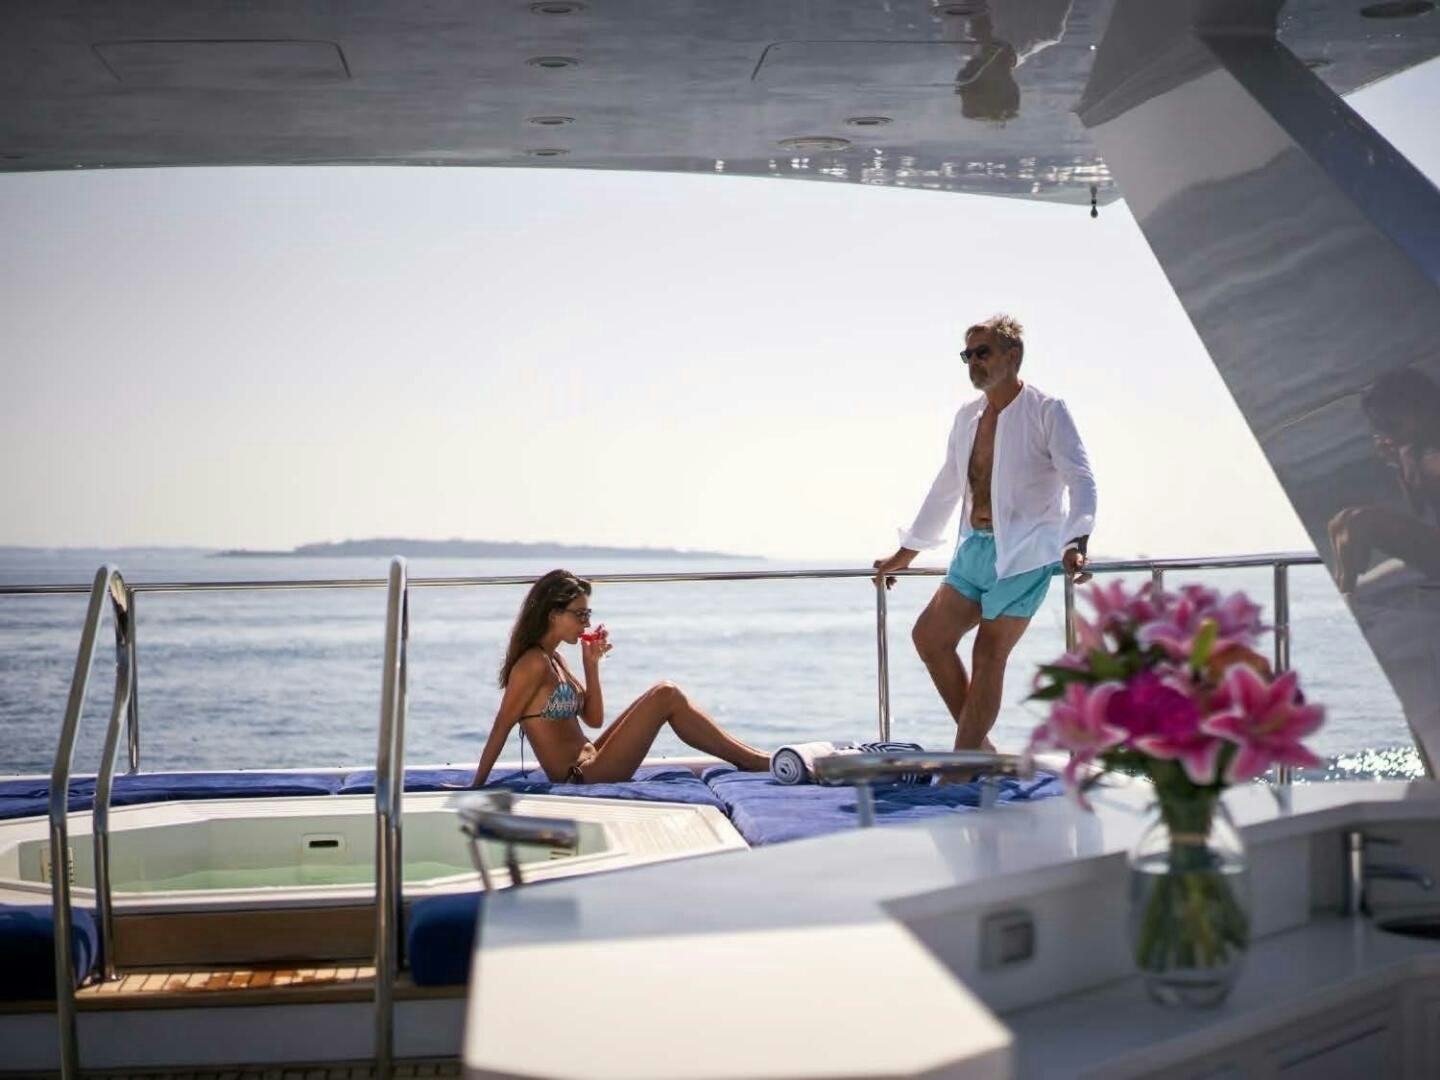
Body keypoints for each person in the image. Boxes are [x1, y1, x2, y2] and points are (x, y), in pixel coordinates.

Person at [873, 314, 1097, 753]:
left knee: (988, 656)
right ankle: (978, 752)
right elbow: (948, 484)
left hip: (1027, 553)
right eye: (967, 355)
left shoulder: (1047, 411)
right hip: (974, 549)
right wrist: (907, 552)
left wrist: (1077, 540)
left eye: (983, 353)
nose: (973, 362)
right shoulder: (967, 416)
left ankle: (964, 762)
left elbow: (1082, 479)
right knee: (930, 638)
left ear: (1012, 357)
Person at [470, 569, 770, 787]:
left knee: (664, 693)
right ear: (553, 615)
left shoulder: (555, 659)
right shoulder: (532, 663)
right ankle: (753, 761)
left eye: (588, 615)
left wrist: (591, 664)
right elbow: (502, 726)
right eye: (580, 615)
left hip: (594, 758)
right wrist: (475, 786)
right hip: (579, 778)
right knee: (666, 694)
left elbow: (593, 719)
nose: (587, 623)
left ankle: (755, 757)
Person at [1329, 366, 1440, 594]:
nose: (1383, 430)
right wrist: (1398, 465)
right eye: (1379, 424)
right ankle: (1344, 590)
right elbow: (1420, 508)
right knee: (1340, 522)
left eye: (1389, 423)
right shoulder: (1412, 450)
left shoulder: (1431, 452)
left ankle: (1346, 596)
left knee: (1357, 522)